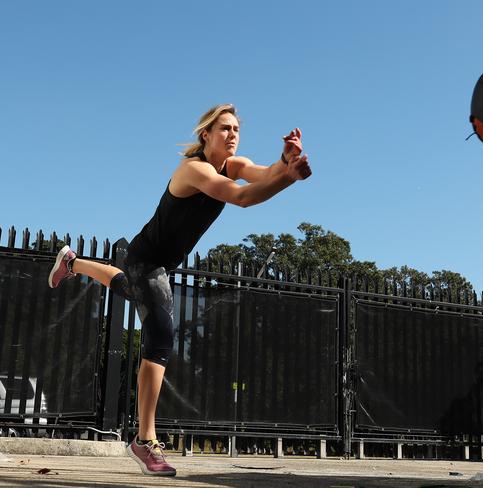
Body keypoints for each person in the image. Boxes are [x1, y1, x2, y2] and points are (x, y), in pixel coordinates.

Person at [47, 104, 311, 476]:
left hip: (156, 266)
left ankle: (71, 263)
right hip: (147, 260)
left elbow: (261, 174)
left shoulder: (232, 164)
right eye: (224, 129)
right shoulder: (195, 169)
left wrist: (284, 162)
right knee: (160, 337)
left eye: (236, 129)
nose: (233, 134)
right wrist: (289, 178)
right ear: (206, 135)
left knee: (123, 285)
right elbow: (242, 197)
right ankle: (144, 440)